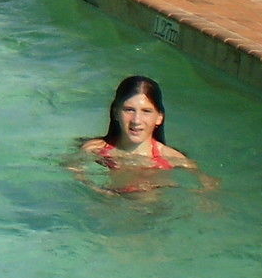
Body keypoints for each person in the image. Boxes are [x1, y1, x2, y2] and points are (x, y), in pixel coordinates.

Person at [71, 75, 206, 195]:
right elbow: (74, 173)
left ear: (159, 117)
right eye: (129, 110)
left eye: (146, 111)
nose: (136, 120)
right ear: (116, 112)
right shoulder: (95, 149)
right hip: (111, 206)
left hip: (155, 211)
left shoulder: (173, 159)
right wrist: (96, 189)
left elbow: (207, 187)